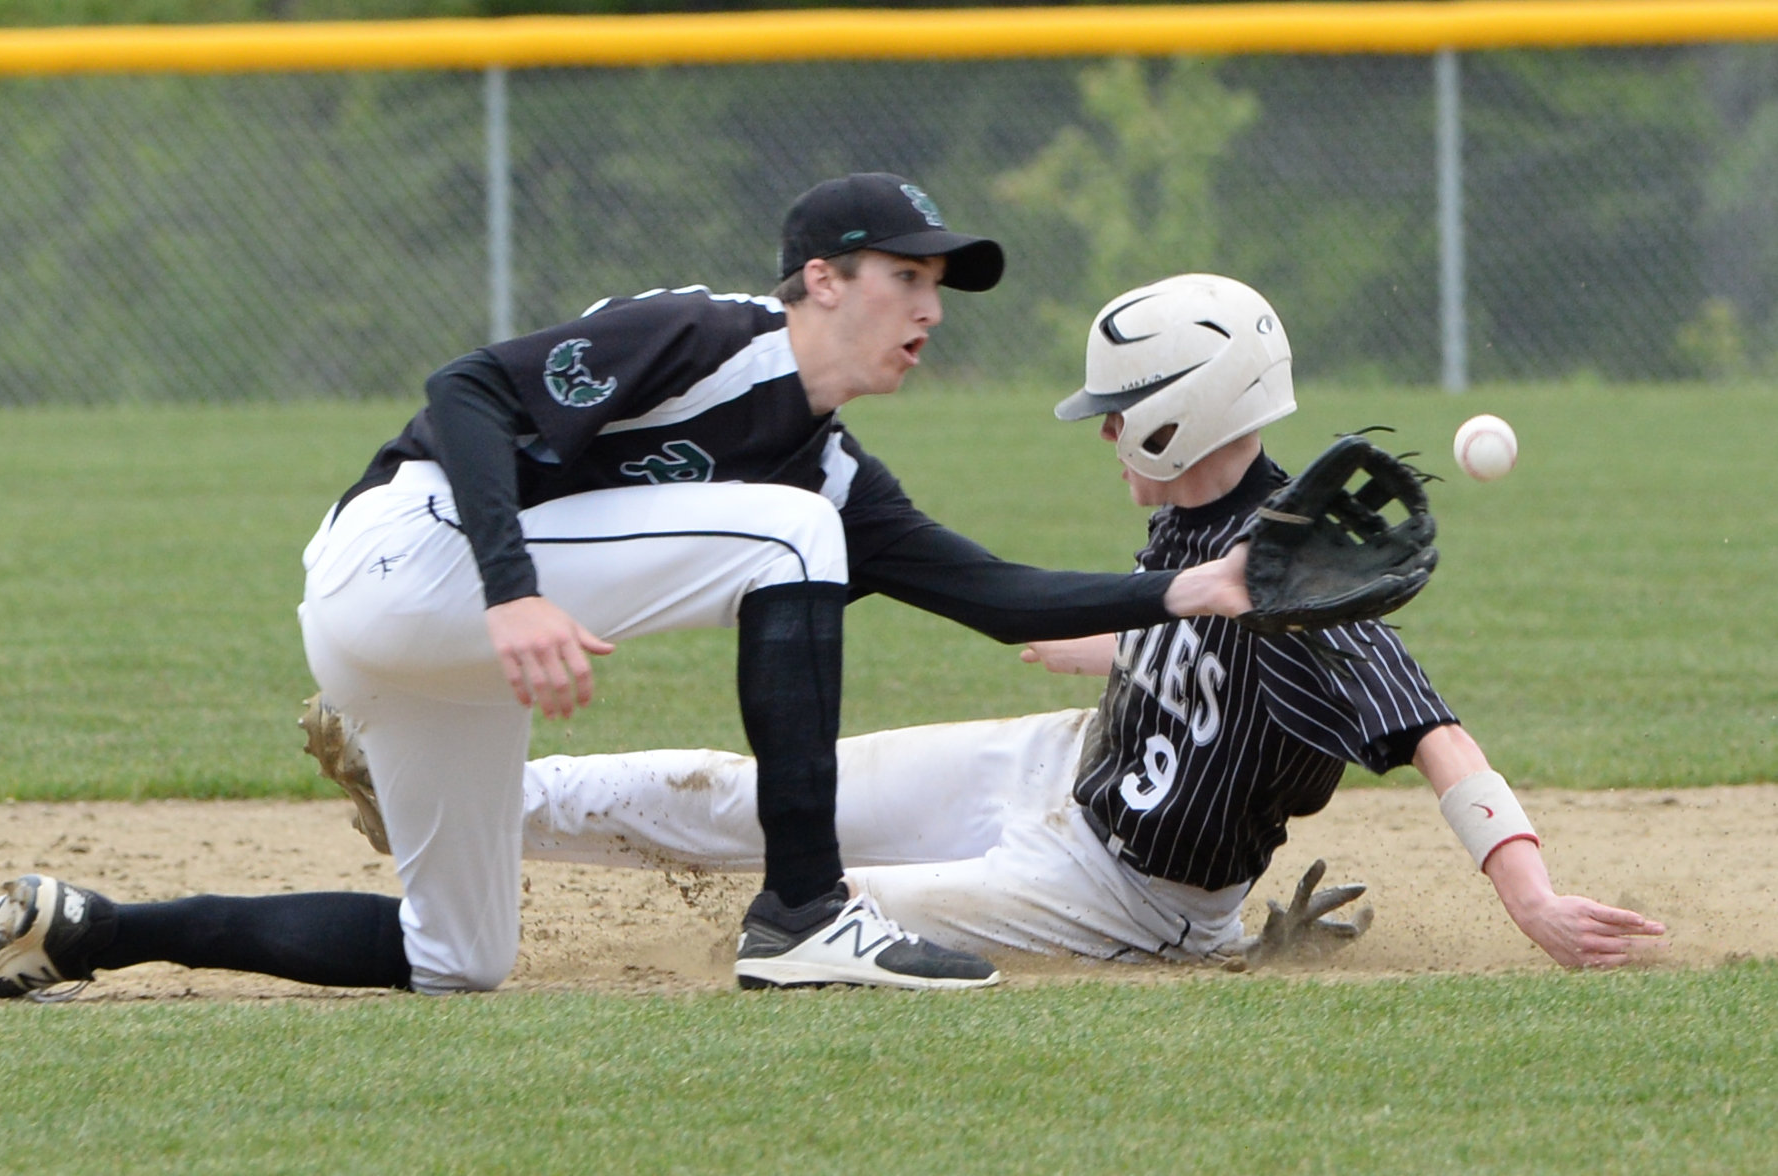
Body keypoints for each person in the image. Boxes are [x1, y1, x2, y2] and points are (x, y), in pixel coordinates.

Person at [0, 179, 1255, 1001]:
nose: (928, 307)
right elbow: (465, 390)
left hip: (436, 655)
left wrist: (1213, 586)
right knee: (786, 539)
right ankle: (802, 917)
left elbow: (999, 596)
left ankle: (82, 933)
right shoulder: (708, 337)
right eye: (904, 278)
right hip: (400, 561)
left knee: (456, 960)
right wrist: (512, 593)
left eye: (936, 288)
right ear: (820, 281)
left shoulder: (828, 469)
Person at [485, 273, 1670, 969]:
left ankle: (1206, 950)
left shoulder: (1295, 573)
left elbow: (1432, 731)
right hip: (1063, 758)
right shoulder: (1196, 518)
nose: (1106, 433)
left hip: (1132, 892)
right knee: (769, 805)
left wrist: (1530, 898)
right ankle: (468, 795)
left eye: (1122, 413)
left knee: (831, 923)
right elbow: (1197, 654)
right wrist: (1101, 645)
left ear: (1186, 416)